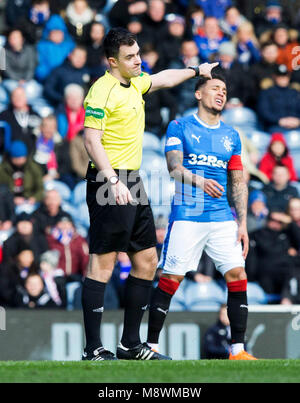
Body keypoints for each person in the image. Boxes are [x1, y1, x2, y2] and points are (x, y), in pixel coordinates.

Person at [81, 26, 219, 361]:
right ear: (112, 61)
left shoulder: (135, 82)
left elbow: (162, 79)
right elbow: (90, 139)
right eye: (130, 57)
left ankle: (129, 344)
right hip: (109, 182)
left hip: (132, 181)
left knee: (147, 260)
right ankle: (93, 349)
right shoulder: (102, 90)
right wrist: (112, 180)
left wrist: (195, 71)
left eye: (138, 54)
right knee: (104, 262)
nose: (138, 61)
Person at [146, 70, 257, 360]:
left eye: (224, 89)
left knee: (238, 275)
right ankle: (150, 346)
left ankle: (238, 350)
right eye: (215, 88)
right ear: (198, 94)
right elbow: (173, 167)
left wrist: (242, 222)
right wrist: (199, 180)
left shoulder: (231, 135)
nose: (221, 93)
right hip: (188, 215)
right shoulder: (180, 126)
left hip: (222, 217)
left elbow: (236, 181)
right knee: (171, 278)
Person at [257, 63, 300, 133]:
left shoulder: (295, 93)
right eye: (280, 76)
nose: (283, 78)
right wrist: (279, 121)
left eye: (285, 76)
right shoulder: (267, 93)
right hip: (275, 126)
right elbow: (263, 112)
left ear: (289, 77)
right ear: (275, 77)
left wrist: (298, 120)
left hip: (296, 126)